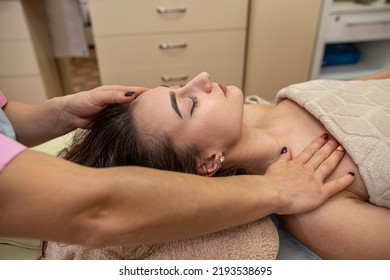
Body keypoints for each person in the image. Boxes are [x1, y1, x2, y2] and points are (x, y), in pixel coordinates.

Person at [42, 70, 389, 260]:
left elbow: (352, 93)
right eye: (190, 103)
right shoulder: (317, 206)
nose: (202, 78)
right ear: (208, 163)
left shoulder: (261, 108)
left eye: (177, 86)